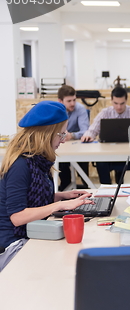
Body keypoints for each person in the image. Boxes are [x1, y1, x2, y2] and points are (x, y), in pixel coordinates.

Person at [0, 101, 93, 271]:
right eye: (61, 135)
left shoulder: (39, 160)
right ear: (47, 134)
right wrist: (59, 205)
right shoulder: (20, 165)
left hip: (29, 232)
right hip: (11, 244)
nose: (63, 140)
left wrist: (62, 196)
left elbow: (30, 197)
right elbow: (17, 216)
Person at [81, 86, 130, 184]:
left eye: (122, 103)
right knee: (100, 161)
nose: (119, 107)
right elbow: (92, 130)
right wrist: (88, 135)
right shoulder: (105, 113)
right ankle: (106, 190)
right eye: (116, 103)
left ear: (126, 100)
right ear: (111, 100)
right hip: (109, 155)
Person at [57, 85, 90, 191]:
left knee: (83, 160)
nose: (73, 103)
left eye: (74, 100)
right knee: (61, 165)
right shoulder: (55, 110)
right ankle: (65, 188)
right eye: (69, 101)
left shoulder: (80, 109)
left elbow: (85, 131)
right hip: (60, 146)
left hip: (77, 146)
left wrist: (71, 135)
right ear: (60, 101)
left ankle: (86, 187)